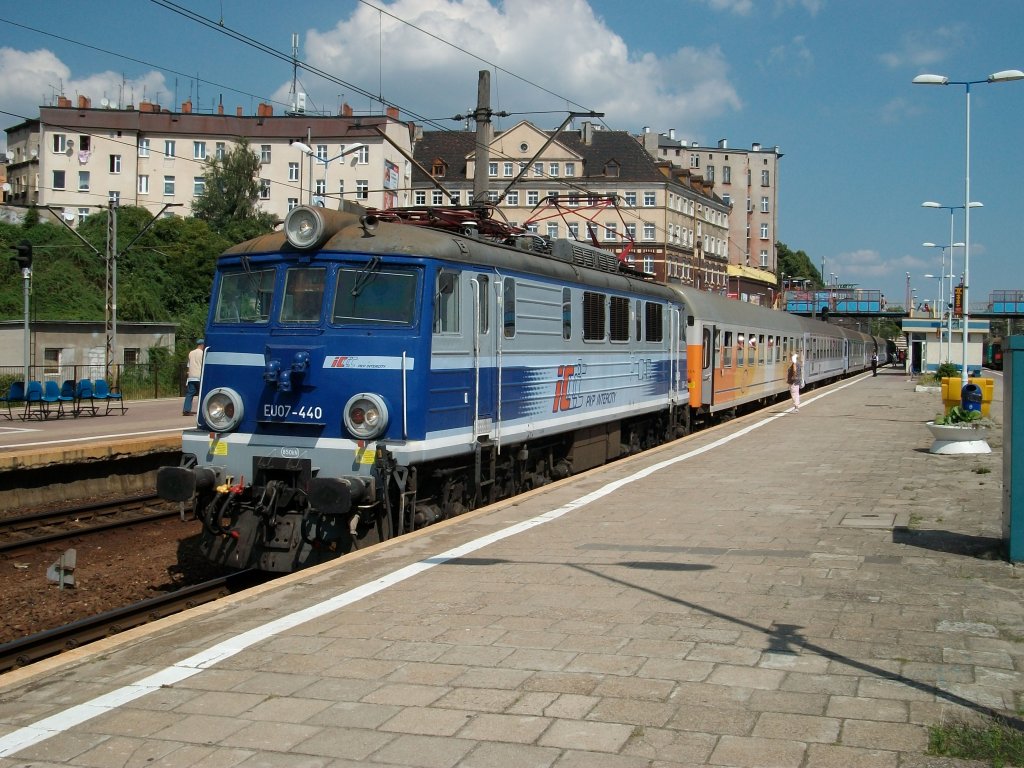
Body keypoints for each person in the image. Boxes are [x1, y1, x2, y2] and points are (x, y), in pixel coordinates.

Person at [183, 339, 205, 416]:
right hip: (199, 376)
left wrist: (188, 374)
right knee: (201, 394)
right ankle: (202, 410)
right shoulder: (202, 353)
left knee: (190, 393)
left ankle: (186, 410)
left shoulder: (191, 353)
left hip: (191, 376)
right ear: (202, 345)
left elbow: (188, 365)